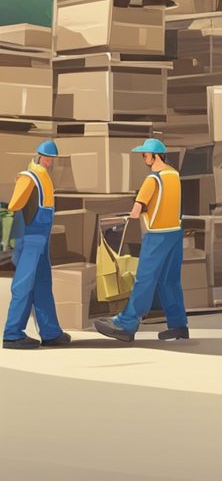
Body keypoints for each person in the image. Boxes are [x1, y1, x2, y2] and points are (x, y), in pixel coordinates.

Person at [93, 139, 188, 343]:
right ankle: (179, 325)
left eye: (145, 155)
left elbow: (136, 211)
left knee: (144, 279)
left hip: (157, 236)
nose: (143, 158)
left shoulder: (152, 180)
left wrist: (127, 216)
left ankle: (127, 323)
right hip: (175, 234)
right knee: (169, 281)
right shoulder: (174, 175)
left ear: (155, 156)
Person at [3, 140, 71, 349]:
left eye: (52, 159)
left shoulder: (43, 177)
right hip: (30, 239)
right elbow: (15, 204)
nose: (50, 162)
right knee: (23, 285)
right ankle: (12, 333)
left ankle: (50, 332)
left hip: (41, 241)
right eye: (47, 158)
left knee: (42, 286)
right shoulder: (29, 177)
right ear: (39, 156)